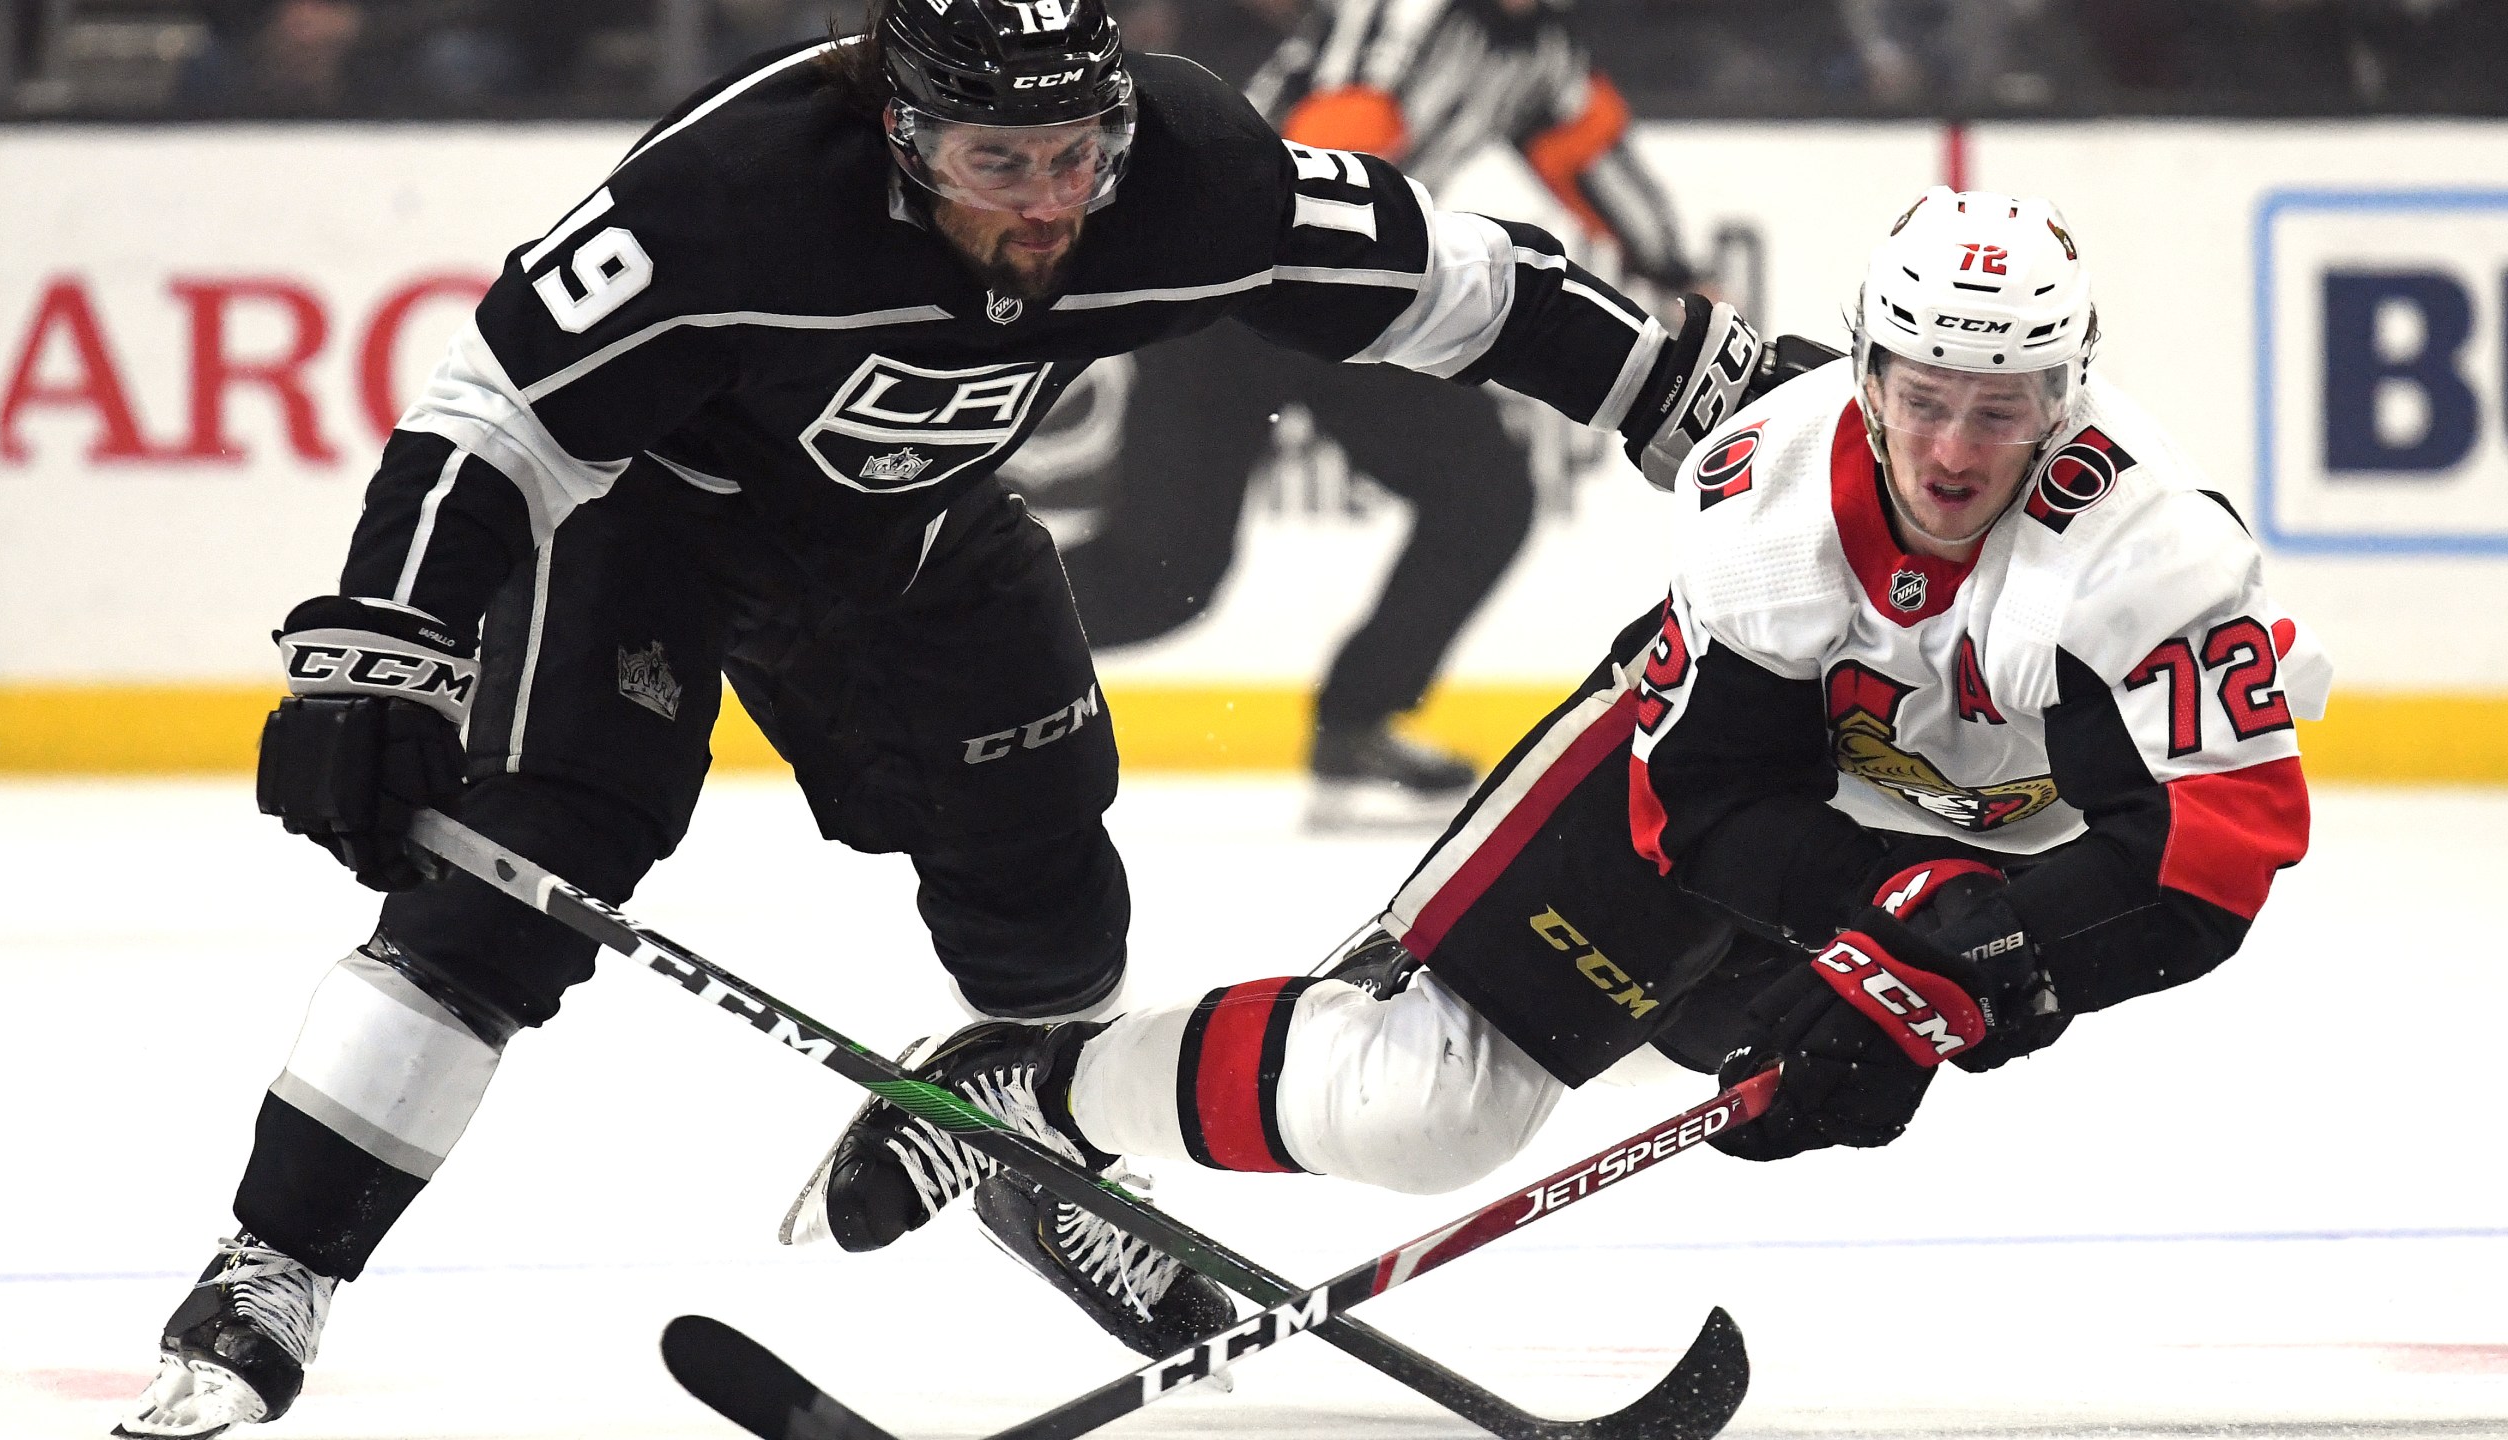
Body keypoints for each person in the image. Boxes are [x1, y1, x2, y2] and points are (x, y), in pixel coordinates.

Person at [112, 0, 1799, 1431]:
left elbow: (1464, 284)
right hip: (646, 537)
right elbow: (502, 411)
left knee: (1056, 896)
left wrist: (1673, 391)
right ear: (906, 131)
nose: (1054, 202)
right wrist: (387, 638)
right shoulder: (735, 197)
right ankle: (271, 1276)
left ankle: (1049, 1166)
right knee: (499, 902)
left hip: (924, 545)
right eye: (1004, 163)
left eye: (1079, 153)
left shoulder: (1187, 172)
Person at [797, 187, 2329, 1350]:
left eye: (1998, 409)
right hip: (1695, 787)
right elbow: (1712, 803)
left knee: (1733, 1062)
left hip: (1916, 830)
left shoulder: (2154, 557)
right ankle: (1036, 1099)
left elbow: (2210, 861)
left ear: (2066, 398)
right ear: (1868, 370)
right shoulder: (1773, 489)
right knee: (1423, 1106)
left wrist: (1972, 971)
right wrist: (1903, 930)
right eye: (1922, 393)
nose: (1949, 449)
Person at [1058, 0, 1705, 829]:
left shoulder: (1540, 51)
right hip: (1230, 289)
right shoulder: (1400, 15)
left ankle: (1358, 723)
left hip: (1335, 296)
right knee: (1165, 576)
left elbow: (1592, 158)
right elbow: (1329, 145)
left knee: (1483, 500)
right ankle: (954, 634)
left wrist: (1685, 277)